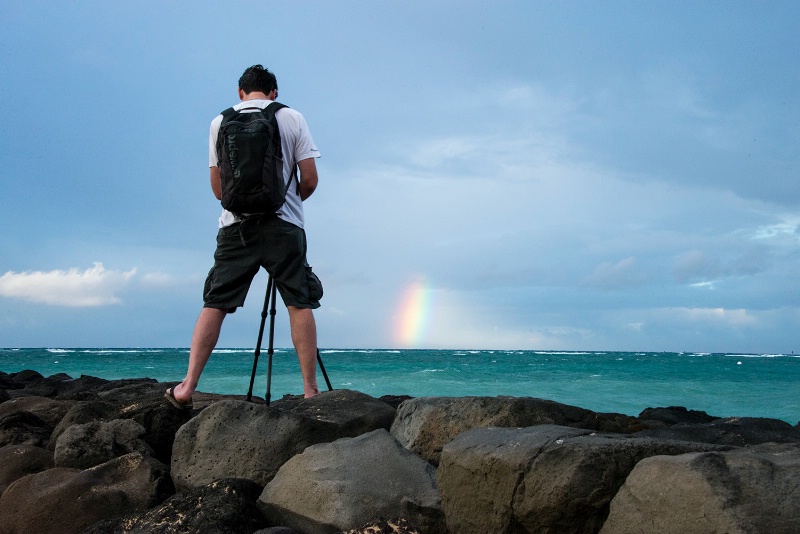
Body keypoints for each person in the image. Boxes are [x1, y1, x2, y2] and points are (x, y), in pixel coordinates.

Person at [166, 65, 322, 408]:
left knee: (215, 302)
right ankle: (310, 391)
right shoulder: (292, 117)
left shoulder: (219, 122)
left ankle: (187, 387)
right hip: (285, 226)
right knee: (299, 302)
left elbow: (217, 185)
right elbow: (309, 178)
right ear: (274, 92)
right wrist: (289, 202)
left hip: (235, 228)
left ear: (240, 93)